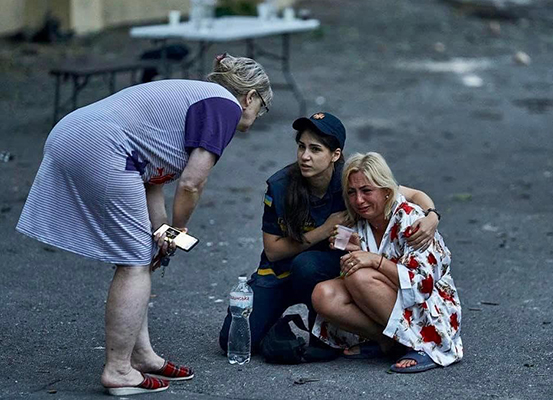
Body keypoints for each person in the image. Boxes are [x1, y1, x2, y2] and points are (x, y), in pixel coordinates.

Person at [16, 53, 272, 396]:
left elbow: (151, 177)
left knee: (140, 254)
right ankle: (119, 370)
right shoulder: (225, 105)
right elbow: (192, 183)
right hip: (102, 146)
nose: (256, 116)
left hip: (75, 135)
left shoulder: (192, 98)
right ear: (251, 97)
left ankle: (142, 356)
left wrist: (161, 230)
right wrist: (179, 229)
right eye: (262, 108)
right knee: (135, 263)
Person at [218, 113, 441, 359]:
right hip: (279, 273)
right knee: (231, 340)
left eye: (315, 149)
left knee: (308, 265)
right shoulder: (280, 185)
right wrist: (324, 230)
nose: (305, 156)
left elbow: (410, 194)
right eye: (301, 147)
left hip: (324, 268)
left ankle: (341, 334)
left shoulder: (350, 180)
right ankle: (379, 337)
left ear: (335, 155)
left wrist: (432, 216)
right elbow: (273, 251)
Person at [311, 152, 462, 373]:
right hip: (390, 296)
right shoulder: (361, 221)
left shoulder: (411, 219)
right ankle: (387, 341)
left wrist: (376, 261)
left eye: (366, 191)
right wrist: (353, 247)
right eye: (352, 192)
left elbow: (423, 285)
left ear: (387, 191)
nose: (359, 200)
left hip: (429, 308)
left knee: (358, 275)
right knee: (323, 294)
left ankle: (422, 347)